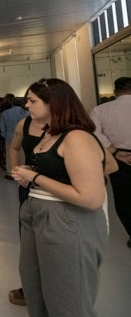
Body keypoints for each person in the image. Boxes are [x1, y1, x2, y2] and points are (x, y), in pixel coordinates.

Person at [11, 78, 111, 317]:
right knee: (37, 290)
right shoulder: (50, 133)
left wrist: (35, 178)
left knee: (67, 300)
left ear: (53, 103)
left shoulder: (77, 137)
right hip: (39, 214)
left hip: (66, 220)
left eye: (33, 101)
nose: (27, 106)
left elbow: (91, 198)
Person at [5, 90, 50, 307]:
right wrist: (16, 171)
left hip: (54, 190)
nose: (27, 106)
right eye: (27, 101)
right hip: (29, 187)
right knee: (28, 238)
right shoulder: (24, 124)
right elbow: (13, 147)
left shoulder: (67, 128)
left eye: (32, 101)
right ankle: (32, 287)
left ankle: (53, 289)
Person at [91, 76, 131, 248]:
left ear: (115, 92)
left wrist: (115, 151)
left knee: (124, 199)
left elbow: (94, 133)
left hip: (119, 159)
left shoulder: (100, 110)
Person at [0, 96, 28, 180]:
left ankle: (11, 173)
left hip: (9, 136)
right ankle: (22, 172)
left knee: (9, 155)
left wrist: (5, 135)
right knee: (22, 155)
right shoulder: (26, 113)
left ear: (12, 103)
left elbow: (2, 127)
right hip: (23, 137)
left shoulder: (5, 113)